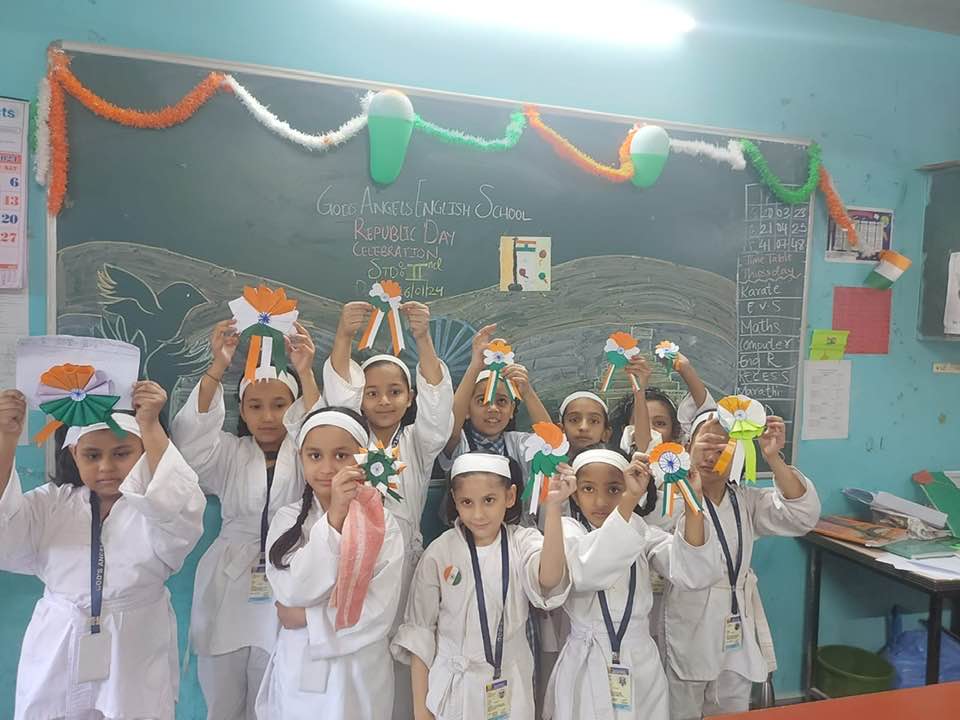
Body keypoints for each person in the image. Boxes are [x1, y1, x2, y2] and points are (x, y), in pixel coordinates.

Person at [171, 306, 365, 719]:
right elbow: (191, 441)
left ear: (294, 409)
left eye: (280, 405)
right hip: (229, 578)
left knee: (275, 689)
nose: (268, 416)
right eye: (255, 406)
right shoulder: (228, 452)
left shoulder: (305, 455)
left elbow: (321, 429)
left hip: (289, 571)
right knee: (222, 691)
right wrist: (217, 367)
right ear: (241, 411)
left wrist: (305, 371)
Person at [0, 383, 205, 720]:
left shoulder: (154, 508)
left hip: (133, 645)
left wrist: (150, 425)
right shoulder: (52, 503)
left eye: (121, 453)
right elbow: (6, 531)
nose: (106, 467)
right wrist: (7, 439)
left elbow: (179, 506)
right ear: (74, 454)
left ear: (143, 452)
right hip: (60, 639)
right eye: (92, 455)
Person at [664, 409, 821, 719]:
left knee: (733, 706)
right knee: (681, 708)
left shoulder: (745, 501)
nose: (712, 455)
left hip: (735, 622)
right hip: (689, 619)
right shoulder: (669, 501)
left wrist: (773, 458)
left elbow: (802, 516)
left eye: (723, 447)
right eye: (706, 444)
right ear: (687, 447)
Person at [544, 445, 720, 720]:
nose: (601, 500)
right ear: (575, 495)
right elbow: (587, 572)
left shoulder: (642, 532)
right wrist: (628, 499)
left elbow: (693, 572)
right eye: (588, 489)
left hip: (640, 660)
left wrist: (693, 502)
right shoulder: (569, 530)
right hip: (587, 658)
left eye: (614, 489)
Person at [392, 452, 572, 720]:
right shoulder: (440, 552)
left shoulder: (522, 542)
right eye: (467, 502)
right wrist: (421, 712)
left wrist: (554, 507)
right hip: (454, 687)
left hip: (510, 684)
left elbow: (548, 578)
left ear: (510, 496)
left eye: (489, 500)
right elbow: (420, 633)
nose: (478, 514)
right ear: (455, 500)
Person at [255, 407, 405, 720]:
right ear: (301, 459)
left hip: (360, 670)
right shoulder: (287, 520)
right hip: (301, 661)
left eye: (341, 456)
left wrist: (308, 618)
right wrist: (334, 519)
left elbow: (380, 610)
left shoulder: (382, 523)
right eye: (315, 456)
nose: (327, 468)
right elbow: (293, 592)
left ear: (363, 458)